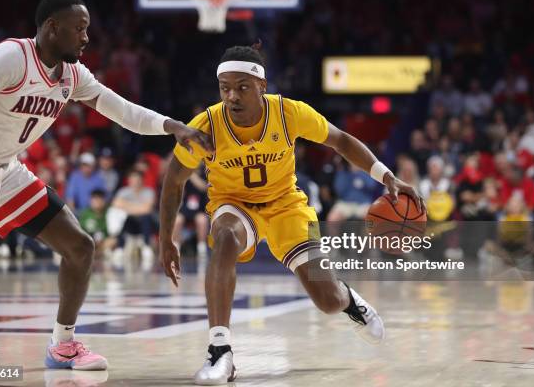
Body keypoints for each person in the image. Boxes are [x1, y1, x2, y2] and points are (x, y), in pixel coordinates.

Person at [0, 0, 211, 371]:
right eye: (80, 29)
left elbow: (122, 110)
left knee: (80, 247)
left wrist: (174, 127)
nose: (87, 37)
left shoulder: (72, 75)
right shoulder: (11, 57)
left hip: (6, 167)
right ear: (53, 29)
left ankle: (63, 345)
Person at [159, 44, 424, 385]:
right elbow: (173, 181)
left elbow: (341, 141)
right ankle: (220, 352)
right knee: (224, 238)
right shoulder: (205, 125)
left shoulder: (289, 113)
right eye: (225, 88)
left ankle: (349, 300)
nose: (232, 96)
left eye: (242, 87)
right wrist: (165, 238)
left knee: (328, 302)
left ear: (262, 87)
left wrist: (388, 177)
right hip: (234, 206)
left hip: (287, 205)